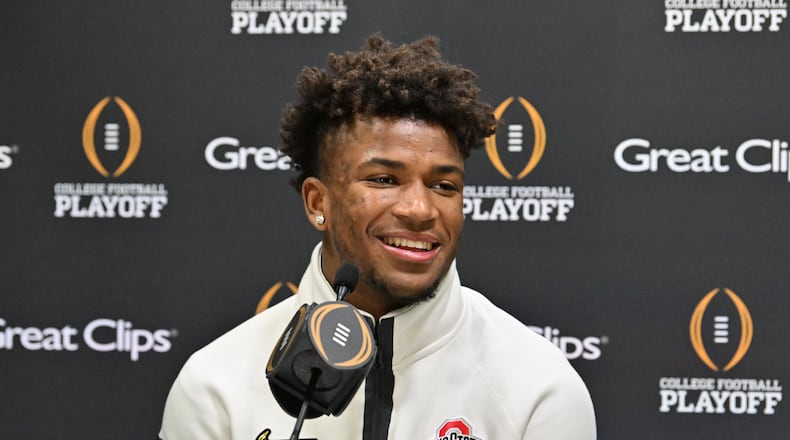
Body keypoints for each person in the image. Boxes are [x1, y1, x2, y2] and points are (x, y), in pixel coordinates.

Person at [159, 34, 596, 440]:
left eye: (444, 186)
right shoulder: (216, 386)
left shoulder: (539, 388)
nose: (420, 209)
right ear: (317, 203)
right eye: (384, 179)